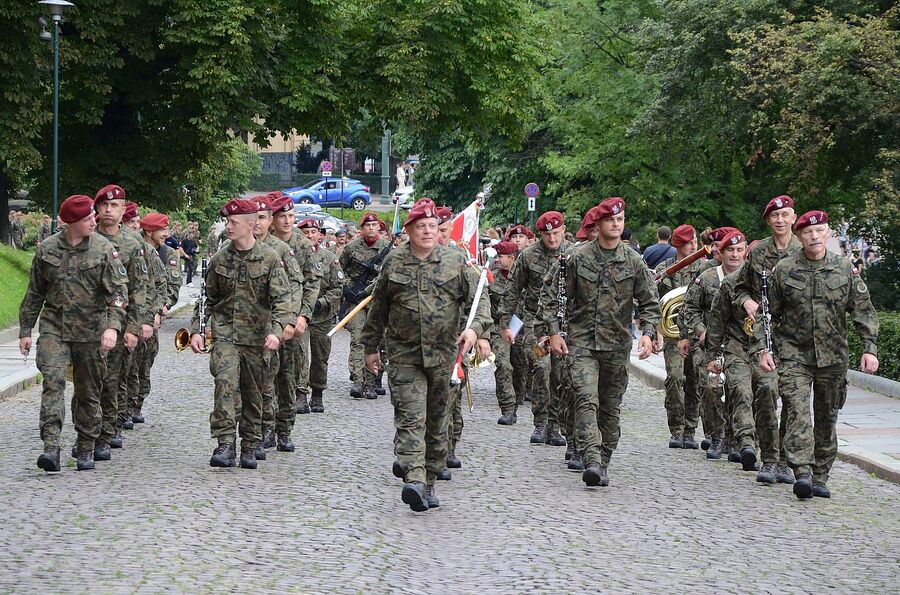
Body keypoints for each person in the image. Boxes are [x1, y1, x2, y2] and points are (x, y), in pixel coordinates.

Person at [361, 199, 492, 511]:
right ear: (408, 230)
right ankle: (414, 479)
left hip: (444, 356)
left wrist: (475, 331)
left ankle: (430, 479)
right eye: (421, 226)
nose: (428, 231)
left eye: (433, 226)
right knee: (410, 418)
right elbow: (378, 309)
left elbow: (479, 300)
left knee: (437, 421)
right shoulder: (394, 263)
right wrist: (369, 347)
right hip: (404, 355)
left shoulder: (455, 261)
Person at [758, 210, 879, 499]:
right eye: (808, 233)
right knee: (798, 412)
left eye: (820, 231)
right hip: (794, 355)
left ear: (827, 234)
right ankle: (802, 472)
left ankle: (821, 475)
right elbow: (768, 316)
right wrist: (764, 348)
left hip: (833, 357)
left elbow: (863, 310)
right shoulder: (785, 270)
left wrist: (869, 349)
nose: (814, 236)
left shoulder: (844, 269)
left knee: (827, 417)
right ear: (799, 237)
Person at [545, 197, 660, 488]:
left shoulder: (633, 261)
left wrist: (647, 333)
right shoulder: (576, 258)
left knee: (610, 408)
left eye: (620, 220)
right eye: (610, 220)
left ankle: (604, 460)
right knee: (586, 399)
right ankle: (592, 459)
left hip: (617, 345)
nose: (616, 225)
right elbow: (553, 297)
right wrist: (554, 332)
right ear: (598, 224)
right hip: (582, 342)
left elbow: (649, 303)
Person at [19, 194, 128, 472]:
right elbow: (34, 293)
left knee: (88, 390)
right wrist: (25, 330)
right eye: (89, 218)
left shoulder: (103, 249)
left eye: (94, 216)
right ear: (71, 222)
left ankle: (86, 445)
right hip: (55, 328)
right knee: (53, 382)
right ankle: (51, 447)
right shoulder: (47, 250)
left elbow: (118, 292)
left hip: (91, 330)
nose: (95, 220)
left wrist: (112, 327)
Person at [190, 198, 293, 469]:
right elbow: (206, 299)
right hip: (225, 335)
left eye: (233, 222)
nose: (228, 227)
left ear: (250, 225)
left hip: (258, 338)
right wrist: (197, 331)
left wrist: (276, 331)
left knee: (253, 393)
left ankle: (249, 444)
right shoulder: (219, 258)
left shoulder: (270, 258)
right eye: (227, 222)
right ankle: (224, 443)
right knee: (225, 383)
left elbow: (282, 301)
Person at [734, 195, 802, 481]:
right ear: (768, 220)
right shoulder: (758, 252)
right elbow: (739, 287)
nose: (780, 220)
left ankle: (787, 460)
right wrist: (746, 301)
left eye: (785, 214)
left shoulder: (804, 249)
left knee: (794, 400)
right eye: (774, 216)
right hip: (766, 336)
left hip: (798, 340)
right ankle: (770, 458)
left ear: (793, 217)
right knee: (766, 390)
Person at [500, 212, 571, 448]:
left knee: (561, 373)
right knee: (542, 366)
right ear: (540, 234)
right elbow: (512, 290)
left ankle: (555, 425)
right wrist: (505, 324)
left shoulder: (574, 253)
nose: (552, 239)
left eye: (556, 233)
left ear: (563, 230)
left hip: (565, 323)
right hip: (535, 322)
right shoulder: (528, 256)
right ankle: (540, 422)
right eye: (547, 234)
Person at [93, 184, 152, 456]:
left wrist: (134, 326)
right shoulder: (85, 237)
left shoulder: (132, 243)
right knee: (88, 380)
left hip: (119, 322)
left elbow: (140, 287)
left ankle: (107, 431)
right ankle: (89, 431)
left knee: (112, 379)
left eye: (114, 205)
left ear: (122, 209)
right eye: (104, 205)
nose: (108, 210)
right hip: (86, 322)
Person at [686, 230, 745, 461]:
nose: (734, 255)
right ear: (720, 252)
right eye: (730, 250)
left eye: (739, 250)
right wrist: (700, 331)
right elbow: (689, 308)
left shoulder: (750, 277)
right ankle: (717, 435)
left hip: (740, 346)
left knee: (738, 390)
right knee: (711, 389)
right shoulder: (708, 277)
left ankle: (735, 437)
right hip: (711, 345)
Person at [253, 196, 302, 455]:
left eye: (262, 218)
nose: (257, 223)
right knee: (262, 382)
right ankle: (263, 430)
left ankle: (283, 430)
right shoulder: (238, 246)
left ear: (269, 221)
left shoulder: (279, 250)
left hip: (281, 325)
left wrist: (291, 320)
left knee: (286, 379)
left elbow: (295, 286)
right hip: (253, 329)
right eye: (255, 217)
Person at [655, 224, 705, 449]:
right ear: (677, 245)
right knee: (675, 379)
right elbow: (655, 304)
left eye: (694, 241)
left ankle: (690, 430)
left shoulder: (704, 268)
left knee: (694, 381)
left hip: (697, 333)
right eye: (688, 242)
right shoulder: (665, 269)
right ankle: (676, 429)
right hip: (673, 334)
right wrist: (657, 335)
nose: (693, 245)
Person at [269, 196, 320, 419]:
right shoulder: (264, 243)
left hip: (295, 317)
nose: (288, 221)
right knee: (267, 372)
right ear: (274, 219)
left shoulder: (303, 246)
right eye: (283, 216)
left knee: (289, 374)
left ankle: (285, 425)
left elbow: (312, 283)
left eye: (291, 216)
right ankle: (267, 424)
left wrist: (304, 315)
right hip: (270, 317)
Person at [130, 212, 182, 424]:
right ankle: (126, 405)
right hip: (134, 315)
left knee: (145, 359)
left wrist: (162, 309)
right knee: (129, 363)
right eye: (162, 230)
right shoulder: (136, 249)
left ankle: (136, 403)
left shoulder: (168, 253)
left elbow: (171, 285)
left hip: (153, 315)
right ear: (149, 231)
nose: (166, 234)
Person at [339, 212, 391, 400]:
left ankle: (372, 382)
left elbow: (387, 275)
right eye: (367, 225)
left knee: (375, 340)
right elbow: (339, 270)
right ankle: (358, 380)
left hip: (376, 300)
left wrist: (368, 290)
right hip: (355, 300)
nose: (371, 228)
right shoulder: (351, 248)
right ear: (362, 228)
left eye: (374, 225)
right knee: (358, 338)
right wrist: (346, 288)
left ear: (379, 227)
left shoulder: (387, 249)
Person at [299, 218, 345, 413]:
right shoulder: (293, 257)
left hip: (322, 315)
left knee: (320, 356)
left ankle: (317, 393)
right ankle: (300, 394)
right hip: (299, 314)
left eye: (313, 232)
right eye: (306, 233)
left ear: (320, 235)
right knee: (300, 354)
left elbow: (338, 287)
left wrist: (322, 302)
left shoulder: (329, 259)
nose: (310, 236)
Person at [488, 241, 520, 425]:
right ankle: (508, 408)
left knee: (521, 366)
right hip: (499, 328)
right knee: (503, 365)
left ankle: (519, 397)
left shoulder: (522, 275)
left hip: (523, 327)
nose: (497, 259)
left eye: (500, 256)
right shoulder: (492, 276)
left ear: (511, 258)